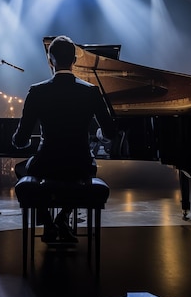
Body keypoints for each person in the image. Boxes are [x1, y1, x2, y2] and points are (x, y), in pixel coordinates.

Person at [12, 35, 116, 243]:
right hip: (81, 164)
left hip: (46, 164)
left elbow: (21, 140)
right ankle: (63, 217)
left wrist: (19, 139)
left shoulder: (37, 91)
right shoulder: (91, 91)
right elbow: (110, 132)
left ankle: (49, 223)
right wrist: (98, 135)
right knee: (84, 175)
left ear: (50, 61)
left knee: (23, 169)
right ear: (75, 60)